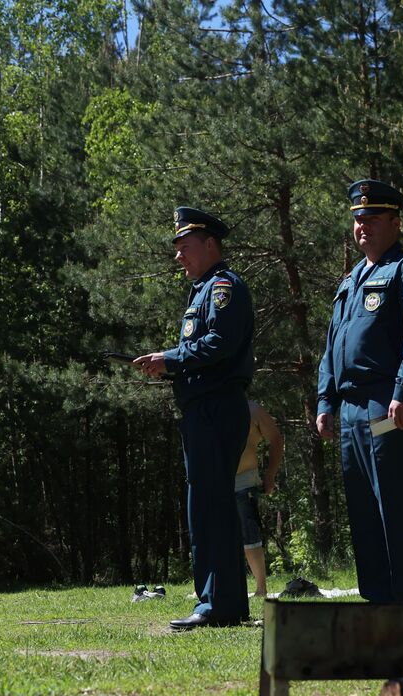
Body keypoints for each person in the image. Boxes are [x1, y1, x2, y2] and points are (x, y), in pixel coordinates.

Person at [315, 179, 403, 605]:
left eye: (372, 219)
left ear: (395, 222)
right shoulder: (351, 279)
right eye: (357, 220)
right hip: (351, 408)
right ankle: (378, 601)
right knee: (364, 511)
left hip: (390, 403)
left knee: (398, 503)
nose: (362, 227)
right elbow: (333, 344)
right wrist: (325, 400)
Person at [134, 207, 254, 630]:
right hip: (203, 408)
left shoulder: (224, 288)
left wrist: (170, 359)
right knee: (206, 503)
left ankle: (215, 604)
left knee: (210, 505)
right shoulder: (202, 290)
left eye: (184, 247)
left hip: (217, 406)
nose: (178, 257)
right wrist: (169, 361)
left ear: (209, 245)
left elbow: (219, 343)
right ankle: (225, 602)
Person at [236, 399, 284, 596]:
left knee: (250, 537)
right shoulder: (210, 405)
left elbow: (276, 439)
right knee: (215, 537)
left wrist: (270, 475)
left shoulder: (252, 409)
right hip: (214, 483)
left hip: (244, 481)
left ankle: (261, 588)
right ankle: (211, 587)